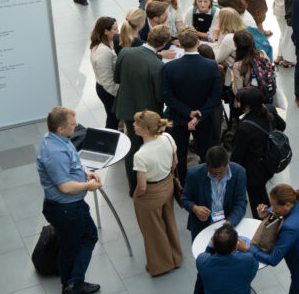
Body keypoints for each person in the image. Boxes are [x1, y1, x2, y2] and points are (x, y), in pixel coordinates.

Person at [37, 106, 102, 294]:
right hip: (66, 209)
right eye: (72, 125)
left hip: (72, 206)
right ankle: (71, 284)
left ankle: (74, 280)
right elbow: (65, 186)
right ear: (60, 129)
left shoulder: (60, 141)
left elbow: (72, 164)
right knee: (72, 245)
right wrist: (88, 186)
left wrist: (86, 172)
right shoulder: (53, 153)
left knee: (85, 237)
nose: (76, 126)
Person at [113, 24, 169, 195]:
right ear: (164, 43)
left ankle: (133, 186)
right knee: (147, 147)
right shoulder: (157, 65)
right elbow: (160, 96)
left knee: (132, 147)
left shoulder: (125, 52)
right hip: (147, 114)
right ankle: (146, 182)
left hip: (127, 108)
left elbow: (117, 78)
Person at [162, 27, 222, 185]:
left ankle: (182, 186)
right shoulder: (211, 66)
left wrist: (188, 113)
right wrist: (198, 115)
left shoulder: (170, 67)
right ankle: (205, 183)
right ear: (198, 42)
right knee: (206, 154)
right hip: (204, 119)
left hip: (179, 118)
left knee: (179, 155)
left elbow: (168, 97)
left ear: (180, 44)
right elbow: (215, 96)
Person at [130, 111, 182, 276]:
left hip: (151, 194)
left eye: (136, 123)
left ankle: (161, 265)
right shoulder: (167, 137)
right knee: (169, 222)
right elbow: (175, 162)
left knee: (153, 231)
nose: (133, 125)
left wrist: (136, 196)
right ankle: (175, 257)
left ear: (145, 129)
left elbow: (142, 186)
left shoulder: (140, 155)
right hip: (168, 185)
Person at [231, 87, 285, 214]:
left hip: (254, 172)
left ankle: (265, 225)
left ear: (247, 105)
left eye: (239, 101)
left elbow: (237, 158)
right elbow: (282, 126)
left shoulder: (244, 127)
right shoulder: (270, 109)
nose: (238, 104)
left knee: (259, 203)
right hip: (270, 162)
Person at [181, 146, 248, 240]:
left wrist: (230, 222)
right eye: (213, 174)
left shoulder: (239, 172)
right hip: (202, 228)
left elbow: (241, 203)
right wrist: (195, 208)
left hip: (227, 224)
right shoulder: (194, 174)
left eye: (220, 173)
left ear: (228, 163)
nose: (217, 178)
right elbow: (184, 199)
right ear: (207, 165)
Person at [89, 17, 120, 129]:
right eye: (115, 29)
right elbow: (107, 80)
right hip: (108, 91)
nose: (118, 31)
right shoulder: (104, 52)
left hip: (105, 87)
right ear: (105, 31)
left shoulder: (107, 44)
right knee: (113, 119)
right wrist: (119, 93)